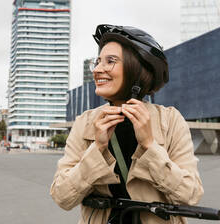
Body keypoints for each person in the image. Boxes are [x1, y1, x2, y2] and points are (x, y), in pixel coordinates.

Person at [50, 24, 203, 224]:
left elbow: (190, 195)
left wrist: (149, 146)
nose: (97, 69)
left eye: (110, 61)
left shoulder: (170, 120)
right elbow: (62, 197)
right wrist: (97, 149)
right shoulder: (85, 122)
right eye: (97, 62)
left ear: (136, 70)